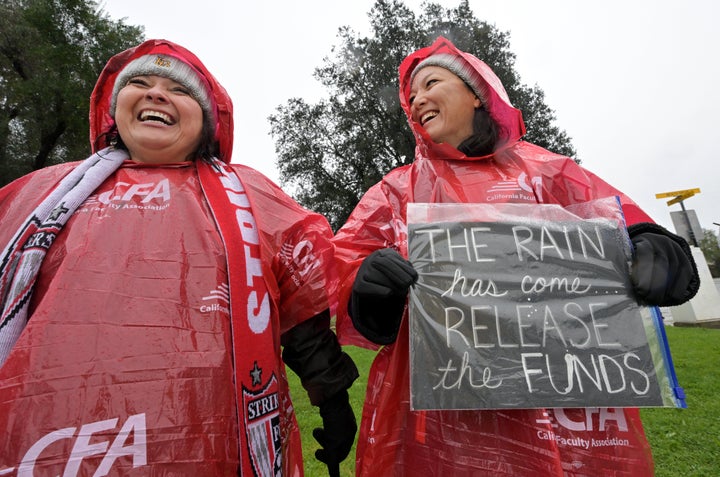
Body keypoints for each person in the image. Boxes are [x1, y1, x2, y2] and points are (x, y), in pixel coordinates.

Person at [332, 36, 700, 476]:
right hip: (439, 429)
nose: (417, 101)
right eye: (411, 97)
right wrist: (368, 293)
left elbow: (621, 220)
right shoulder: (393, 192)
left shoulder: (550, 171)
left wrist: (656, 247)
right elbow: (340, 274)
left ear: (476, 93)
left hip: (566, 417)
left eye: (431, 83)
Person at [0, 39, 358, 476]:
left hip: (209, 446)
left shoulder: (253, 197)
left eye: (179, 89)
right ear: (116, 110)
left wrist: (333, 400)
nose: (155, 93)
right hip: (45, 442)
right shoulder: (35, 197)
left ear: (207, 121)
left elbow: (302, 317)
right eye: (140, 83)